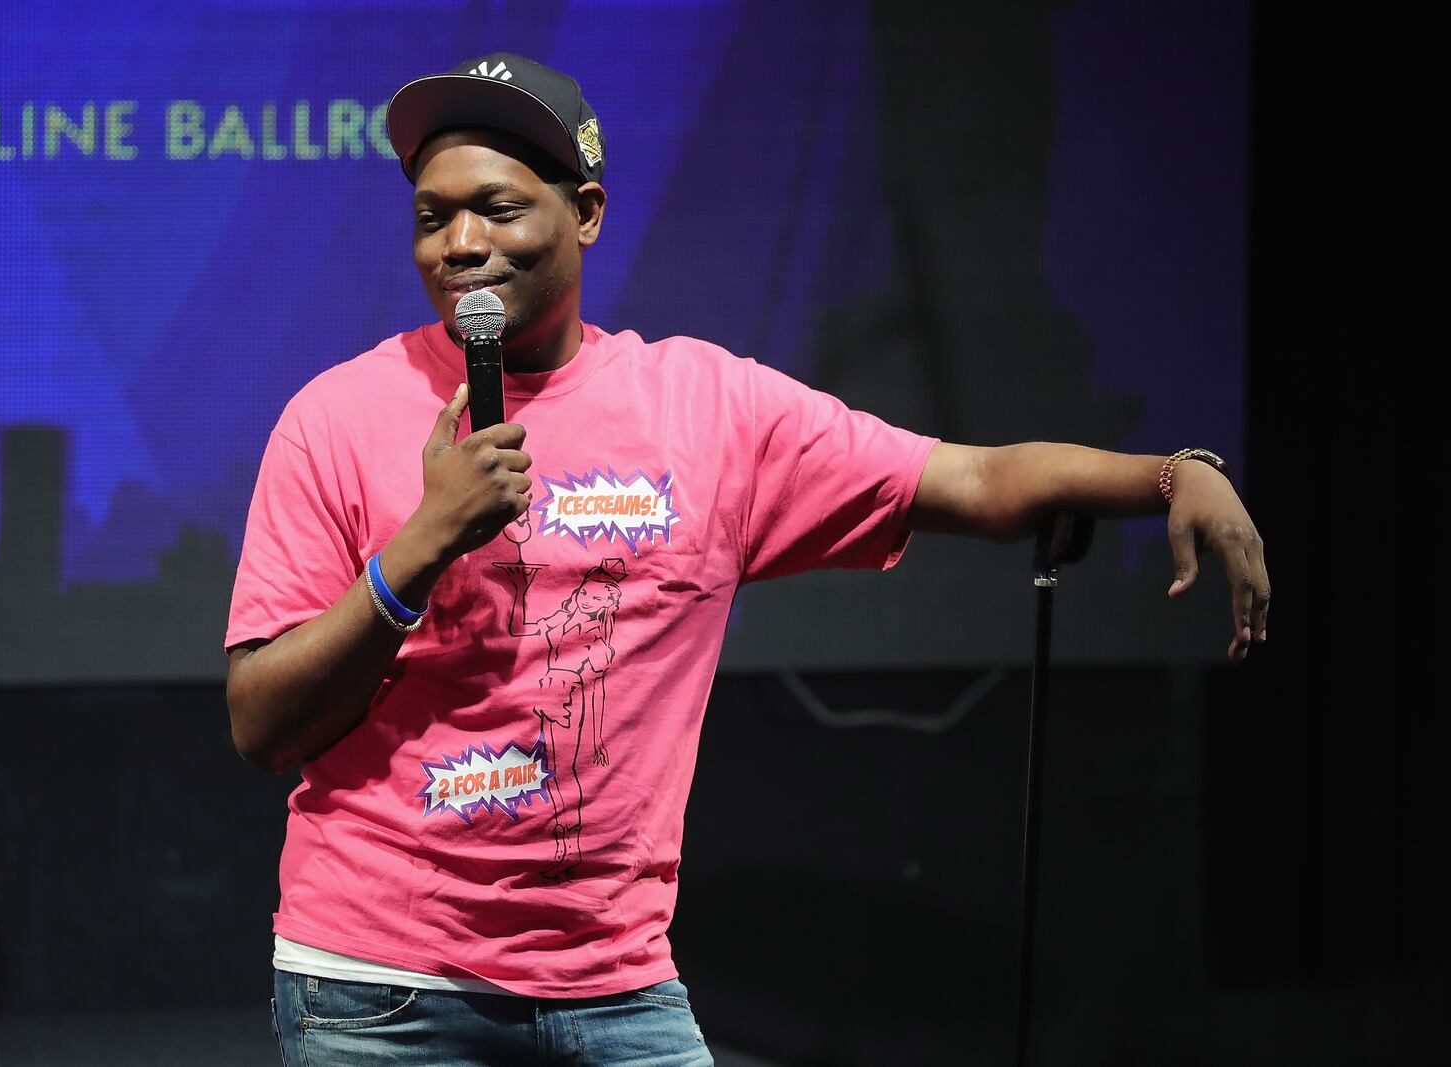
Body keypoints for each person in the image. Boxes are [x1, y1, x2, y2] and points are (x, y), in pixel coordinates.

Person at [225, 52, 1269, 1067]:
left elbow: (969, 480)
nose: (457, 242)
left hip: (616, 983)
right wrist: (419, 545)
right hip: (381, 988)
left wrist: (1174, 473)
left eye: (496, 207)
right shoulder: (335, 417)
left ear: (585, 212)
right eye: (430, 214)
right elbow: (261, 720)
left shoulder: (706, 410)